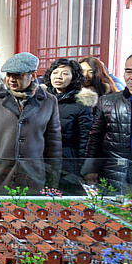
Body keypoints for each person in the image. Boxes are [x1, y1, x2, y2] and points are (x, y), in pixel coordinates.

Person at [0, 52, 62, 194]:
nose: (11, 79)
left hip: (33, 178)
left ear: (32, 75)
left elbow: (53, 143)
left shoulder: (48, 102)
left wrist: (52, 180)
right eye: (9, 74)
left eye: (18, 75)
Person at [83, 52, 132, 196]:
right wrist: (90, 168)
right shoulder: (108, 101)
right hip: (112, 175)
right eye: (129, 71)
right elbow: (95, 137)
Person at [44, 58, 96, 193]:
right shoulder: (42, 99)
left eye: (65, 73)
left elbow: (86, 139)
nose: (59, 77)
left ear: (74, 78)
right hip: (42, 159)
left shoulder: (81, 103)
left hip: (67, 160)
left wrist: (83, 168)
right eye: (55, 72)